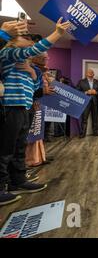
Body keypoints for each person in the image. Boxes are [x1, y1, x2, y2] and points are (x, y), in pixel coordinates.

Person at [0, 18, 70, 206]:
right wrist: (57, 33)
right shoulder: (7, 54)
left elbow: (34, 89)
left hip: (24, 107)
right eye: (25, 39)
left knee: (19, 147)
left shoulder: (26, 67)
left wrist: (32, 74)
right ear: (13, 43)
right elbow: (35, 50)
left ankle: (18, 180)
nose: (30, 43)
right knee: (5, 149)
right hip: (10, 108)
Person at [76, 69, 98, 137]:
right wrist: (86, 92)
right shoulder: (81, 82)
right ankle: (83, 133)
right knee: (84, 118)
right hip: (85, 102)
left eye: (92, 72)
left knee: (95, 118)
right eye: (89, 72)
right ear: (86, 74)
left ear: (93, 74)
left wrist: (96, 92)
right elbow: (77, 91)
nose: (90, 73)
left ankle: (95, 132)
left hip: (95, 102)